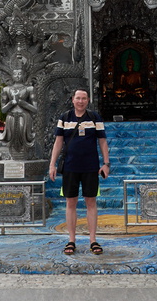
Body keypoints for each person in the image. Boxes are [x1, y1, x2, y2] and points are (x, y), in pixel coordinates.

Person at [49, 88, 110, 256]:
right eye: (78, 98)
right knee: (71, 202)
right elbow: (58, 142)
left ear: (88, 100)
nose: (81, 101)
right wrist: (52, 165)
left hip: (90, 167)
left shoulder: (94, 117)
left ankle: (93, 240)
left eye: (84, 98)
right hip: (70, 167)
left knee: (91, 202)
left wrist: (106, 164)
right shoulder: (64, 118)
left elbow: (102, 141)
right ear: (73, 100)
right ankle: (71, 240)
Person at [0, 68, 37, 159]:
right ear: (12, 76)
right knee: (11, 137)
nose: (17, 76)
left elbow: (35, 109)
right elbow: (3, 110)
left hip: (24, 116)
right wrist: (11, 103)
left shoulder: (29, 89)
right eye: (15, 74)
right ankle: (14, 157)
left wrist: (23, 103)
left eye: (20, 74)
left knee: (24, 137)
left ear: (24, 75)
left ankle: (24, 156)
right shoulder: (6, 89)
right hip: (11, 117)